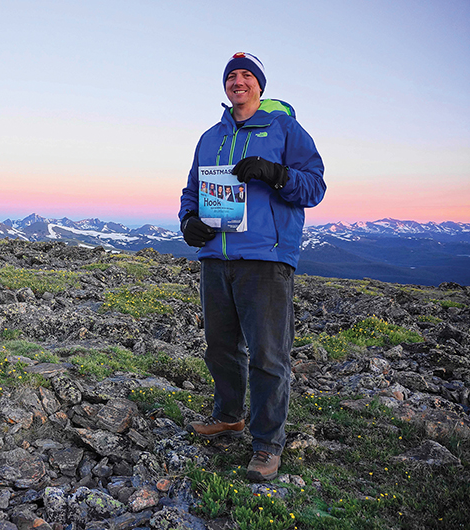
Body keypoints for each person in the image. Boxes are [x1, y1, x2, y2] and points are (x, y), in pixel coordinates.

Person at [178, 52, 326, 482]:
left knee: (267, 355)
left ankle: (267, 444)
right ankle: (228, 416)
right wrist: (189, 221)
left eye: (247, 75)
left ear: (260, 86)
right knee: (220, 347)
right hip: (216, 259)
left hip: (265, 257)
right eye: (231, 76)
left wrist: (275, 173)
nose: (238, 81)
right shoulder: (210, 137)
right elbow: (192, 189)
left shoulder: (285, 129)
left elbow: (315, 186)